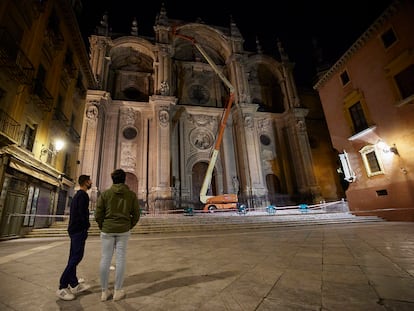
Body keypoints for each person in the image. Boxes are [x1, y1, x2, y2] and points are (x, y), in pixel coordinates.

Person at [95, 169, 140, 301]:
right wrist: (128, 225)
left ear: (112, 179)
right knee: (120, 260)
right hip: (123, 231)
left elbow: (98, 214)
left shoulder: (105, 194)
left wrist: (103, 226)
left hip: (107, 230)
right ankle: (117, 291)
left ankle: (104, 292)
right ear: (124, 179)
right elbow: (136, 214)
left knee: (105, 259)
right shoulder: (131, 195)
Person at [56, 175, 92, 301]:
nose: (91, 182)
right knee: (77, 256)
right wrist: (86, 225)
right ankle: (62, 286)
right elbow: (82, 213)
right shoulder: (83, 195)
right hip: (78, 230)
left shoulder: (77, 195)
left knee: (73, 257)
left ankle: (74, 284)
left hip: (74, 229)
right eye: (90, 180)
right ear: (86, 182)